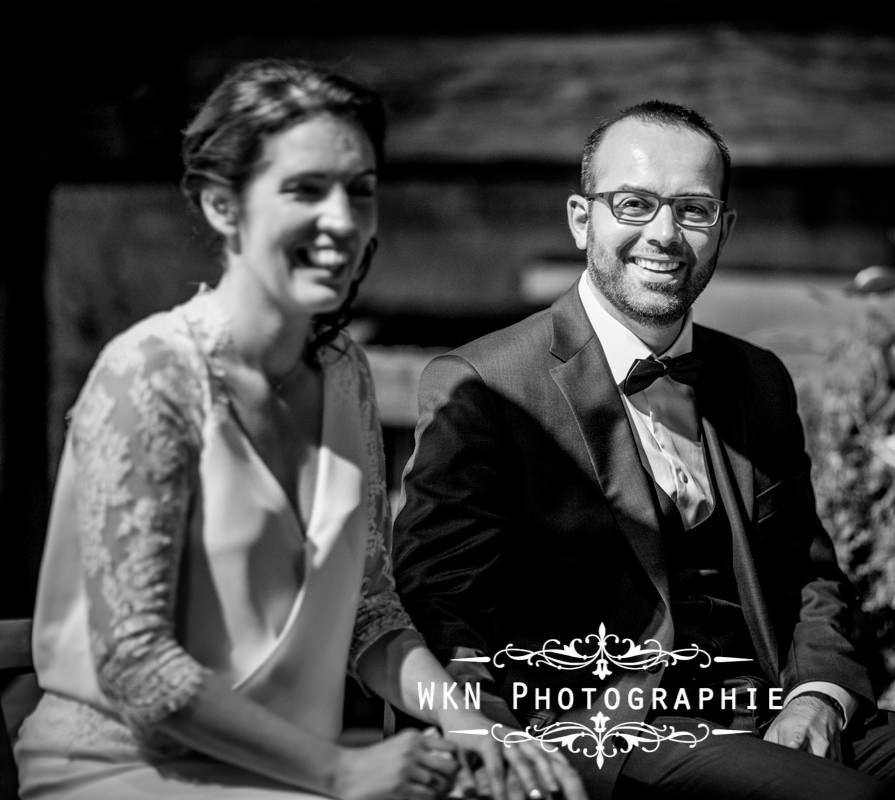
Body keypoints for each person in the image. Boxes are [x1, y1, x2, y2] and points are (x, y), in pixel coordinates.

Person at [392, 100, 895, 799]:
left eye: (693, 209)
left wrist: (819, 695)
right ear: (580, 219)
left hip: (767, 706)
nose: (664, 234)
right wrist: (492, 743)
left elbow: (811, 576)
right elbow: (440, 602)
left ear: (725, 228)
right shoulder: (486, 382)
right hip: (606, 727)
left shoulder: (757, 379)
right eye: (633, 204)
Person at [16, 59, 583, 800]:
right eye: (305, 190)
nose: (343, 221)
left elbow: (370, 610)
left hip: (297, 777)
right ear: (223, 206)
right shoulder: (148, 375)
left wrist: (472, 722)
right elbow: (137, 664)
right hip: (129, 774)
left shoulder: (346, 373)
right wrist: (344, 769)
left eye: (361, 190)